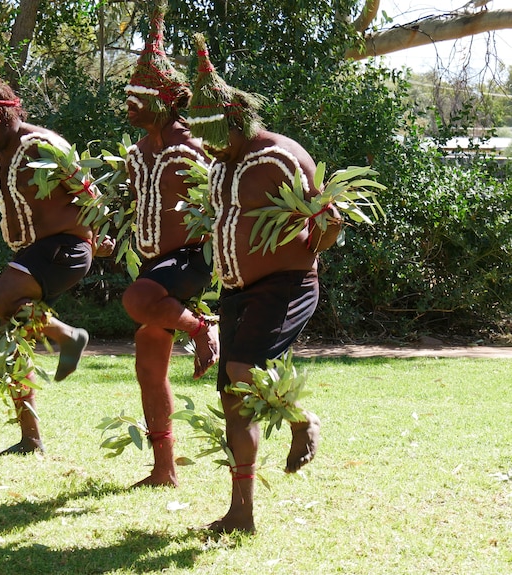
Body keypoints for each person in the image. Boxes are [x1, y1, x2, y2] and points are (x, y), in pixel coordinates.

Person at [185, 33, 339, 533]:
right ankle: (241, 514)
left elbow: (323, 226)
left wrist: (329, 224)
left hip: (287, 284)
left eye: (213, 131)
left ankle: (302, 418)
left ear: (236, 119)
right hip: (236, 291)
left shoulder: (281, 156)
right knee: (233, 394)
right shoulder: (219, 165)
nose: (206, 143)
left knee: (241, 368)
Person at [0, 40, 111, 454]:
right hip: (33, 255)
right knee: (13, 338)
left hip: (64, 248)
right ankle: (30, 438)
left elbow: (88, 192)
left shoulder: (42, 145)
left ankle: (68, 336)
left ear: (5, 114)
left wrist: (95, 238)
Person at [120, 3, 220, 488]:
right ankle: (164, 469)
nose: (129, 106)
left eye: (138, 97)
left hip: (192, 258)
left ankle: (202, 328)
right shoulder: (139, 152)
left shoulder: (194, 143)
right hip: (157, 262)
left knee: (137, 300)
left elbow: (223, 195)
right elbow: (132, 205)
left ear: (165, 100)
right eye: (129, 97)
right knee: (147, 356)